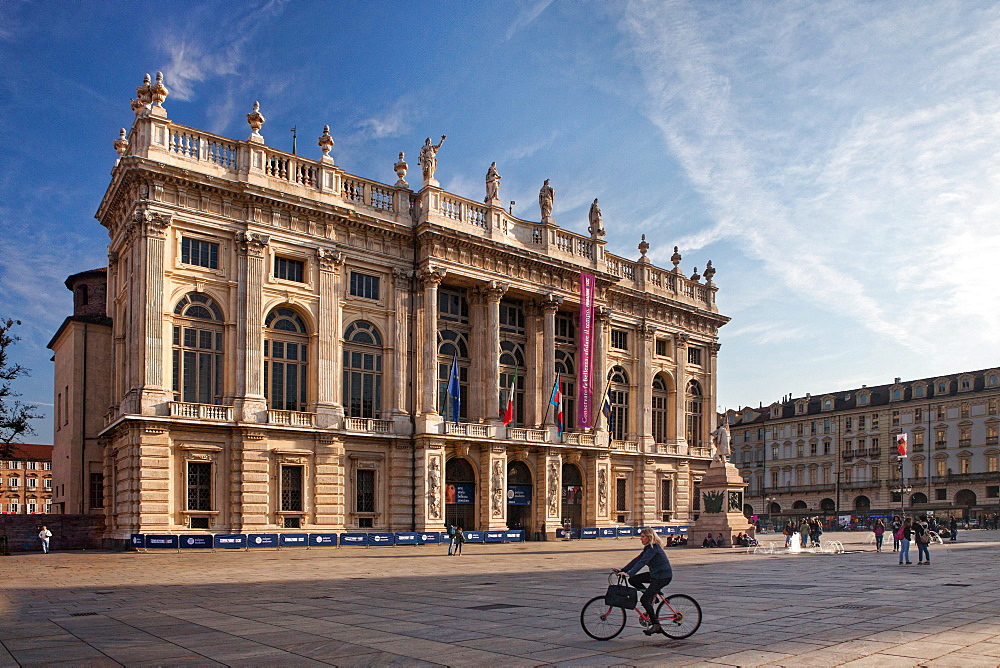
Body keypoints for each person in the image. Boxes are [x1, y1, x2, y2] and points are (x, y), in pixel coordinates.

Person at [614, 528, 673, 636]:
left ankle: (656, 625)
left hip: (663, 576)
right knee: (633, 580)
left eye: (642, 537)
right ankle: (652, 596)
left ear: (649, 537)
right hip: (656, 574)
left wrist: (630, 573)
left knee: (644, 600)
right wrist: (623, 570)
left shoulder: (653, 548)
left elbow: (642, 562)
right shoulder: (648, 548)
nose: (640, 539)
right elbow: (636, 560)